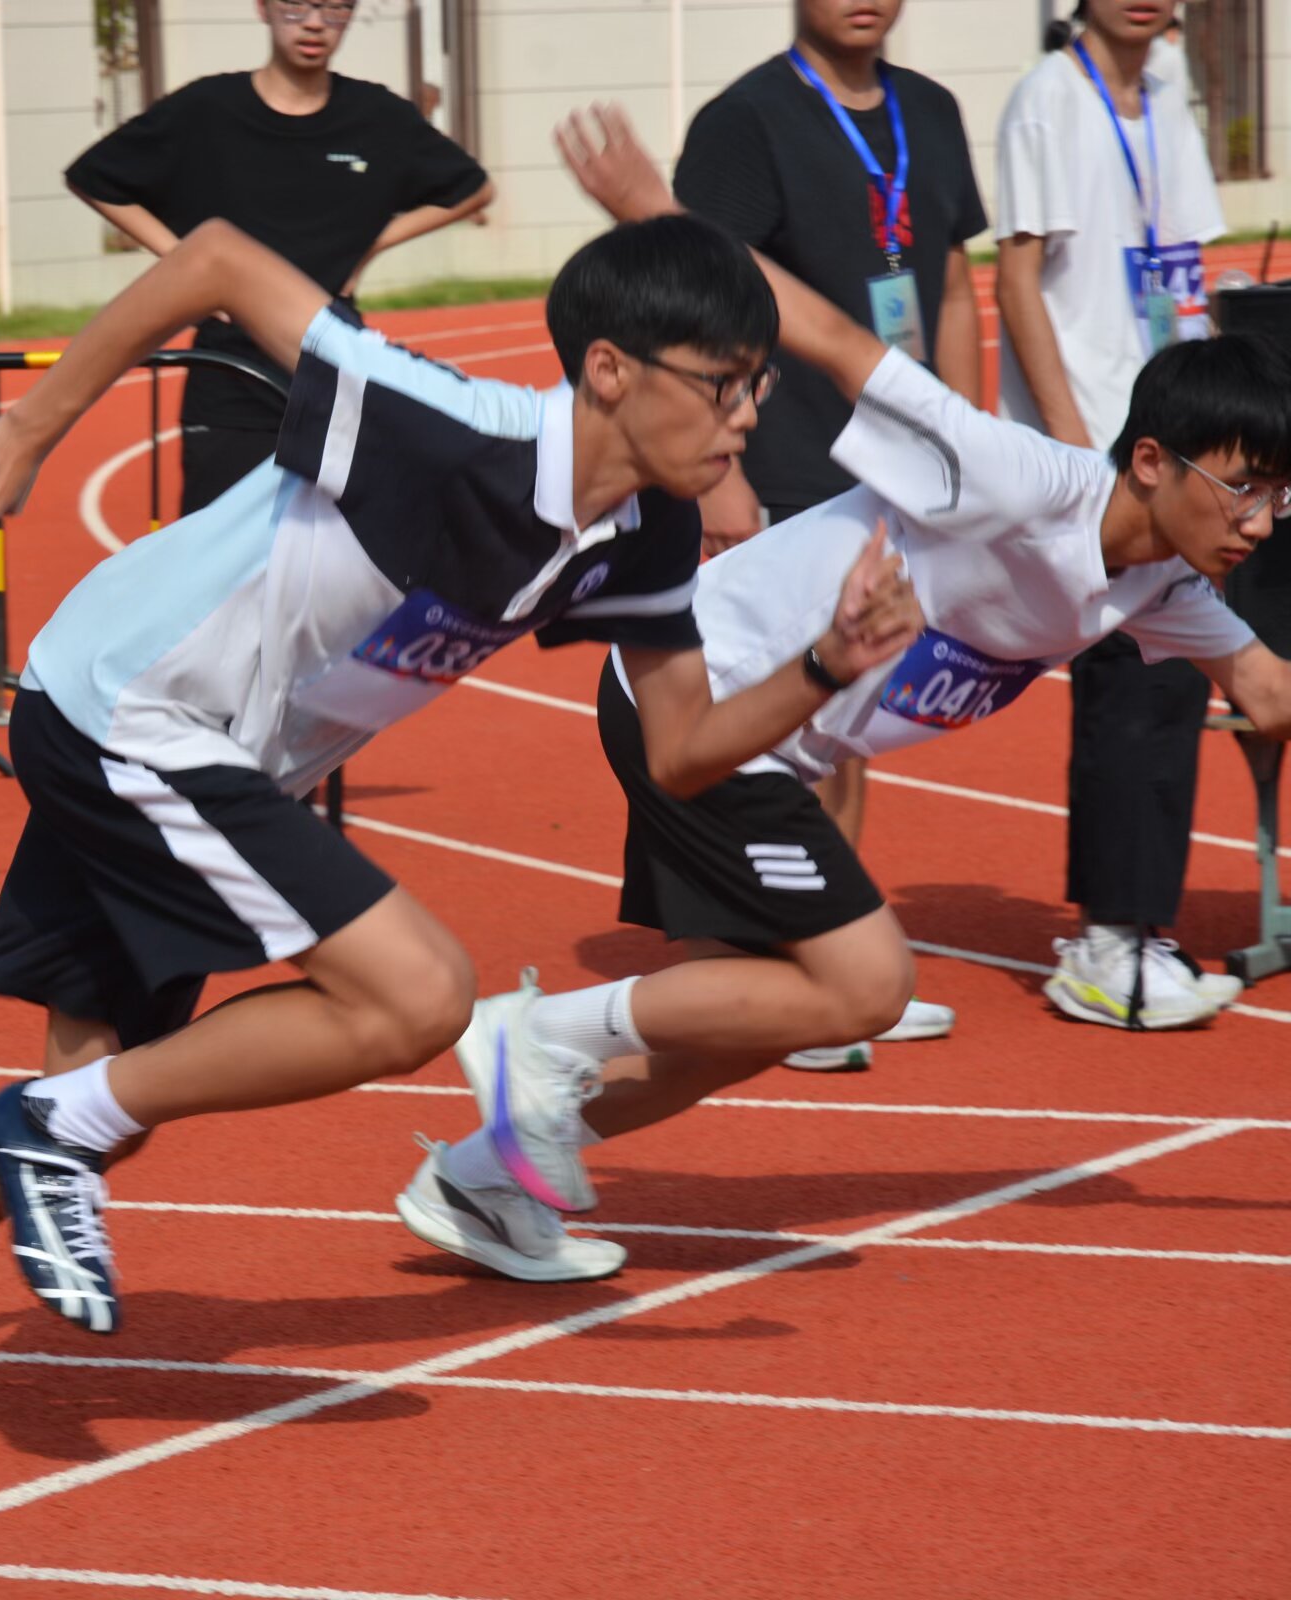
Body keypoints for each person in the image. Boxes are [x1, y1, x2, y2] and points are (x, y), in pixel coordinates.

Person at [0, 209, 922, 1445]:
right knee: (417, 995)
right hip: (134, 707)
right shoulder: (445, 423)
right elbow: (217, 254)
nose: (747, 418)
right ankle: (48, 1131)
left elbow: (683, 749)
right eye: (722, 385)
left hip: (198, 753)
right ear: (609, 369)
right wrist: (24, 431)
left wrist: (827, 664)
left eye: (757, 388)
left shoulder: (643, 529)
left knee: (91, 1106)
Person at [398, 105, 1291, 1286]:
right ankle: (534, 1036)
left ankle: (485, 1173)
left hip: (769, 738)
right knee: (864, 985)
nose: (1261, 521)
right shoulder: (1014, 479)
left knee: (750, 1024)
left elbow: (1268, 688)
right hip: (705, 693)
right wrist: (657, 214)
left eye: (1282, 496)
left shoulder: (1165, 580)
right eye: (1243, 488)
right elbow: (825, 333)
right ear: (1151, 462)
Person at [670, 0, 988, 1069]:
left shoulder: (930, 112)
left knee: (848, 719)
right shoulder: (746, 120)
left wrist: (969, 450)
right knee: (777, 716)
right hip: (785, 456)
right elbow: (699, 298)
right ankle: (783, 970)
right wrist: (720, 470)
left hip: (900, 470)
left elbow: (951, 288)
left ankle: (821, 965)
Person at [998, 0, 1240, 1028]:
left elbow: (1184, 269)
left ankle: (1137, 928)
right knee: (1130, 677)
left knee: (1170, 677)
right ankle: (1109, 943)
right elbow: (1016, 280)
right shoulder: (1049, 99)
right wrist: (1076, 449)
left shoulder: (1171, 95)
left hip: (1177, 437)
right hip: (1102, 443)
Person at [65, 0, 491, 516]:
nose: (314, 23)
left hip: (333, 374)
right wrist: (190, 266)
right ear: (263, 8)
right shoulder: (206, 109)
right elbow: (93, 179)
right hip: (229, 382)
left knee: (332, 554)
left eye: (335, 8)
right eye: (297, 5)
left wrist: (372, 245)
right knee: (216, 553)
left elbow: (474, 189)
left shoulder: (377, 115)